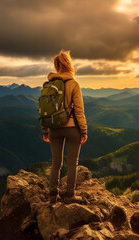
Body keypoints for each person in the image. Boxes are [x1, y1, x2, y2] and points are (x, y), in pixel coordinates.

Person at [41, 50, 88, 204]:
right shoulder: (73, 84)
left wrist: (45, 130)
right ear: (69, 65)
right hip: (71, 129)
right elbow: (79, 111)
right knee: (72, 163)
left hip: (53, 128)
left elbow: (44, 109)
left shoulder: (49, 84)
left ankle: (53, 195)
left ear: (56, 66)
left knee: (56, 162)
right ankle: (69, 195)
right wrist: (84, 130)